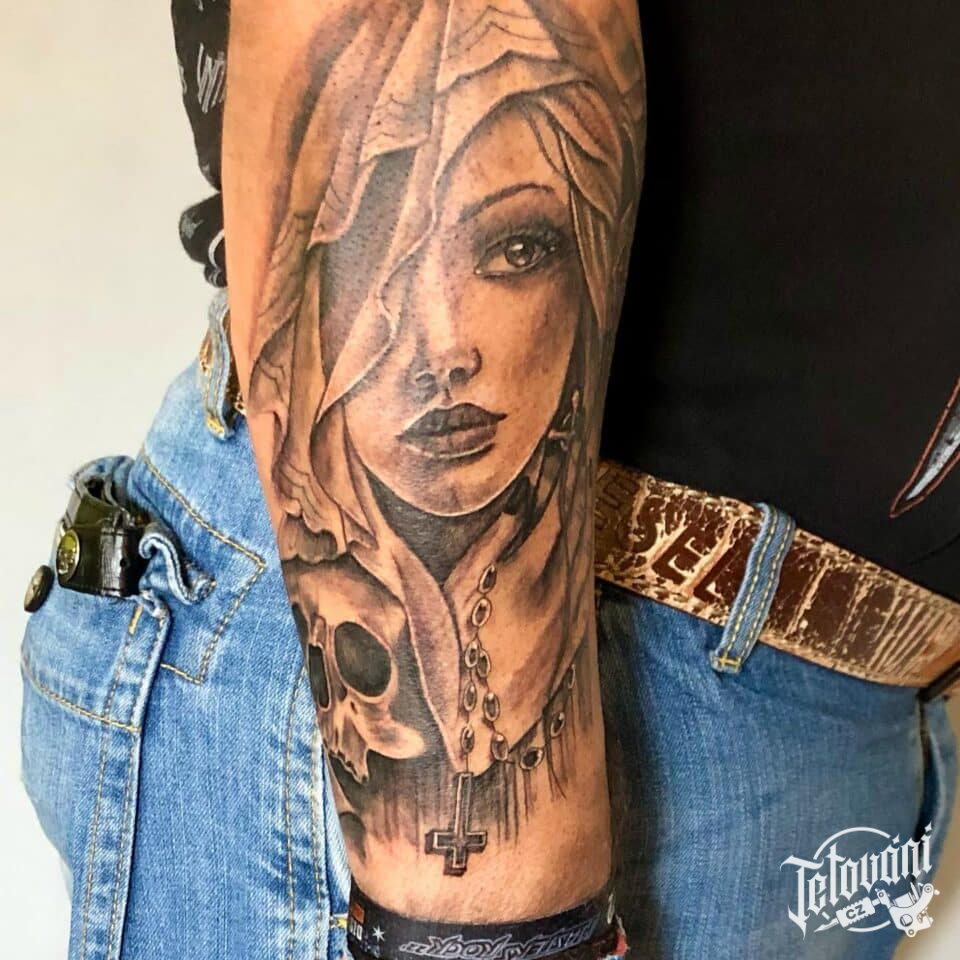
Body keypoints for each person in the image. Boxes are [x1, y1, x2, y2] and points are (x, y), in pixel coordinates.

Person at [18, 3, 958, 960]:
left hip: (845, 730)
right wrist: (500, 932)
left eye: (516, 250)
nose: (445, 352)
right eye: (394, 251)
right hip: (515, 772)